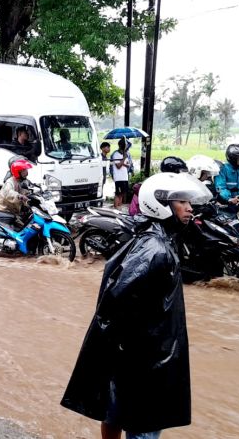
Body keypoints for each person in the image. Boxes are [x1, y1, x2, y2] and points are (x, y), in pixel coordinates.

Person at [61, 172, 212, 439]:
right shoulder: (156, 250)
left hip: (137, 356)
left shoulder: (151, 239)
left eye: (189, 202)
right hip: (147, 360)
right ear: (161, 204)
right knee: (143, 425)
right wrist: (133, 351)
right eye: (181, 202)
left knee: (116, 409)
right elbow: (116, 301)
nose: (189, 208)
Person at [110, 138, 130, 209]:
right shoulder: (116, 154)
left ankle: (119, 207)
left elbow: (128, 165)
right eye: (126, 146)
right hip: (118, 177)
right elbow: (118, 166)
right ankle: (116, 207)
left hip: (124, 176)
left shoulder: (126, 154)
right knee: (118, 193)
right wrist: (123, 159)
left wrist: (123, 161)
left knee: (122, 193)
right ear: (122, 146)